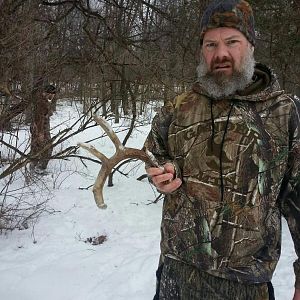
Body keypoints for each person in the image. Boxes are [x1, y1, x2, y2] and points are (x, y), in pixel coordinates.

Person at [144, 0, 300, 299]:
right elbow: (154, 151)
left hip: (245, 284)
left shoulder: (285, 112)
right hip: (176, 273)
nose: (221, 54)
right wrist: (161, 173)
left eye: (232, 42)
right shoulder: (179, 107)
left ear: (251, 46)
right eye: (210, 44)